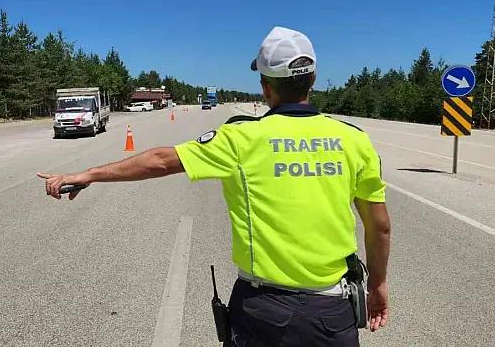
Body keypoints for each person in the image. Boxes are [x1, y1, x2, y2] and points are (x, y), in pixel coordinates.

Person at [38, 26, 391, 346]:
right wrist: (377, 286)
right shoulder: (353, 140)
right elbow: (379, 227)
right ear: (313, 78)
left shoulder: (240, 137)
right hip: (332, 313)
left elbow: (161, 160)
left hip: (264, 314)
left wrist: (88, 174)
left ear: (265, 87)